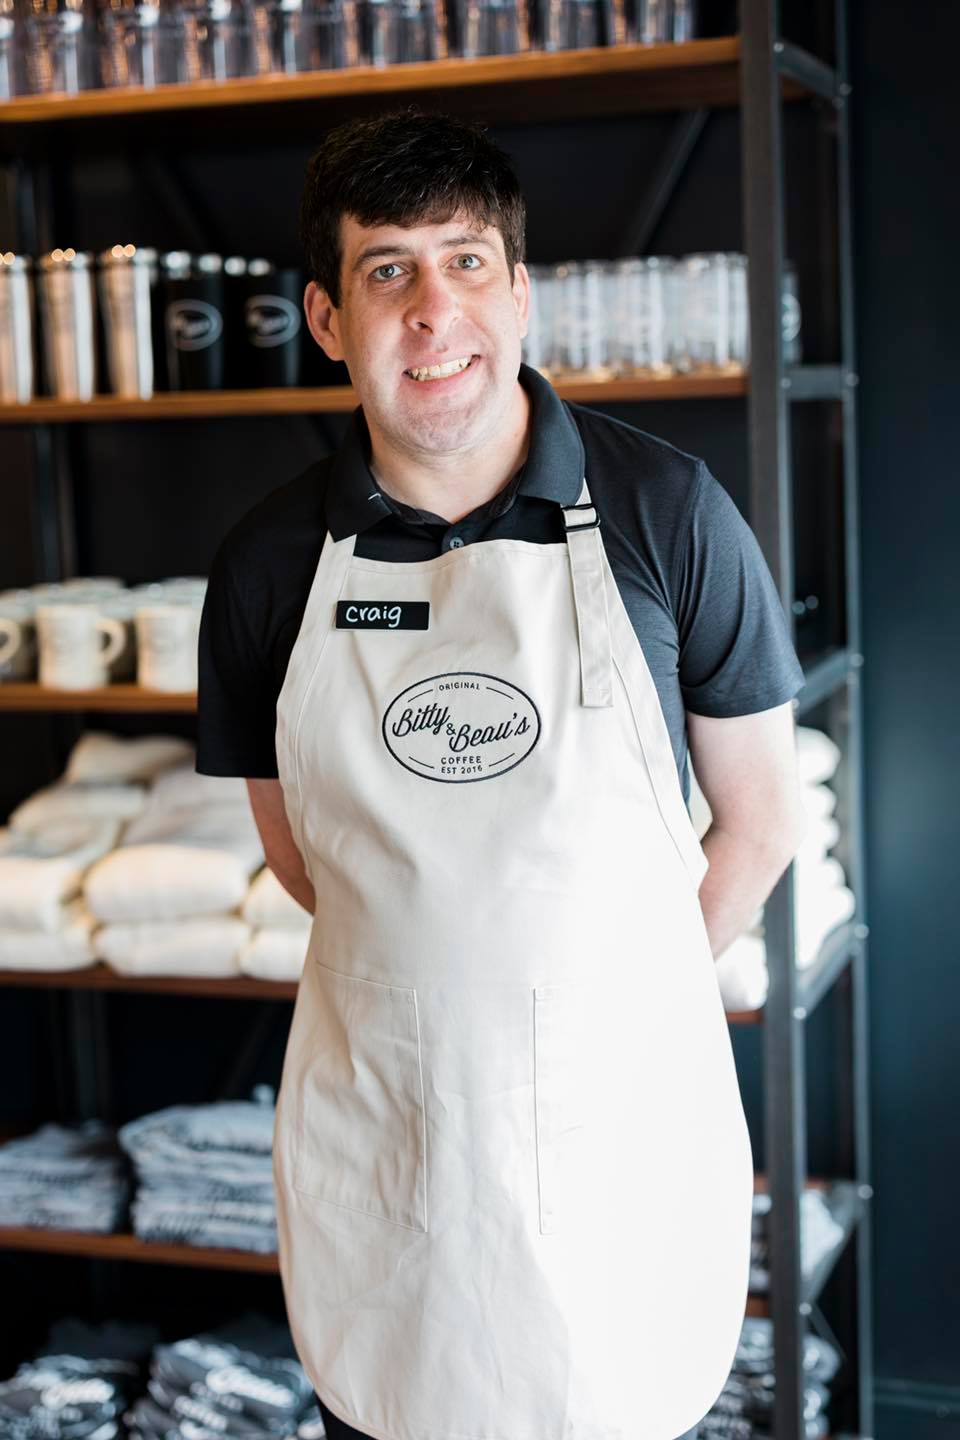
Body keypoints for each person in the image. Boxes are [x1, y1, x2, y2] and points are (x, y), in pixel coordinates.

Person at [197, 107, 808, 1440]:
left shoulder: (671, 513)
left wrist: (601, 991)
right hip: (389, 1132)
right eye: (388, 270)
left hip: (616, 1123)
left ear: (520, 294)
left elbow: (759, 822)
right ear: (328, 318)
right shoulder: (266, 564)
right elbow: (298, 853)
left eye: (466, 261)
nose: (435, 311)